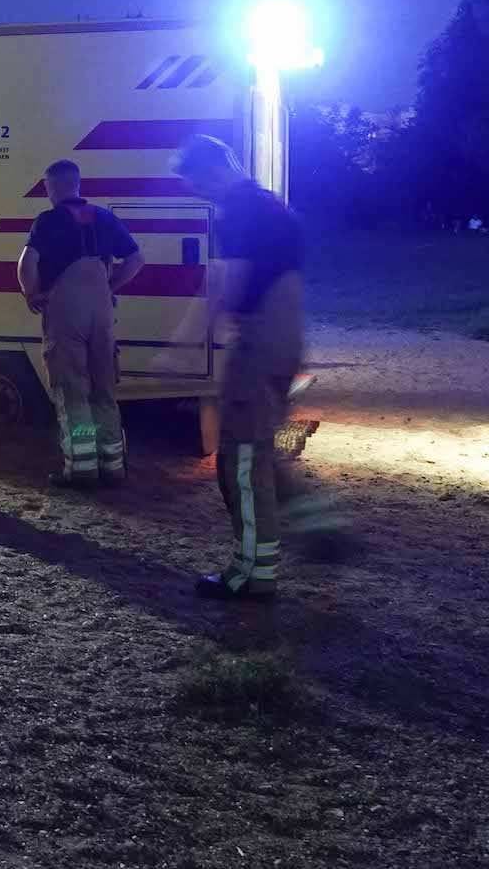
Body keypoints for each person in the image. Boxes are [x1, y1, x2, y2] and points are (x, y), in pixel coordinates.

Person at [173, 135, 305, 600]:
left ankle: (251, 573)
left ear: (210, 171)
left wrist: (191, 336)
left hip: (258, 344)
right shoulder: (272, 205)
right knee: (257, 454)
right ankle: (286, 542)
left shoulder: (237, 211)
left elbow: (231, 280)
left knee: (243, 462)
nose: (198, 195)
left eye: (195, 185)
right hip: (285, 339)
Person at [17, 160, 144, 488]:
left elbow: (27, 261)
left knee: (73, 388)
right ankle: (113, 464)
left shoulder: (48, 221)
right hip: (101, 313)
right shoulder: (103, 217)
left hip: (66, 311)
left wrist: (32, 294)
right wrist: (110, 287)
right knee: (103, 388)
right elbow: (135, 259)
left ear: (53, 187)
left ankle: (82, 466)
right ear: (78, 184)